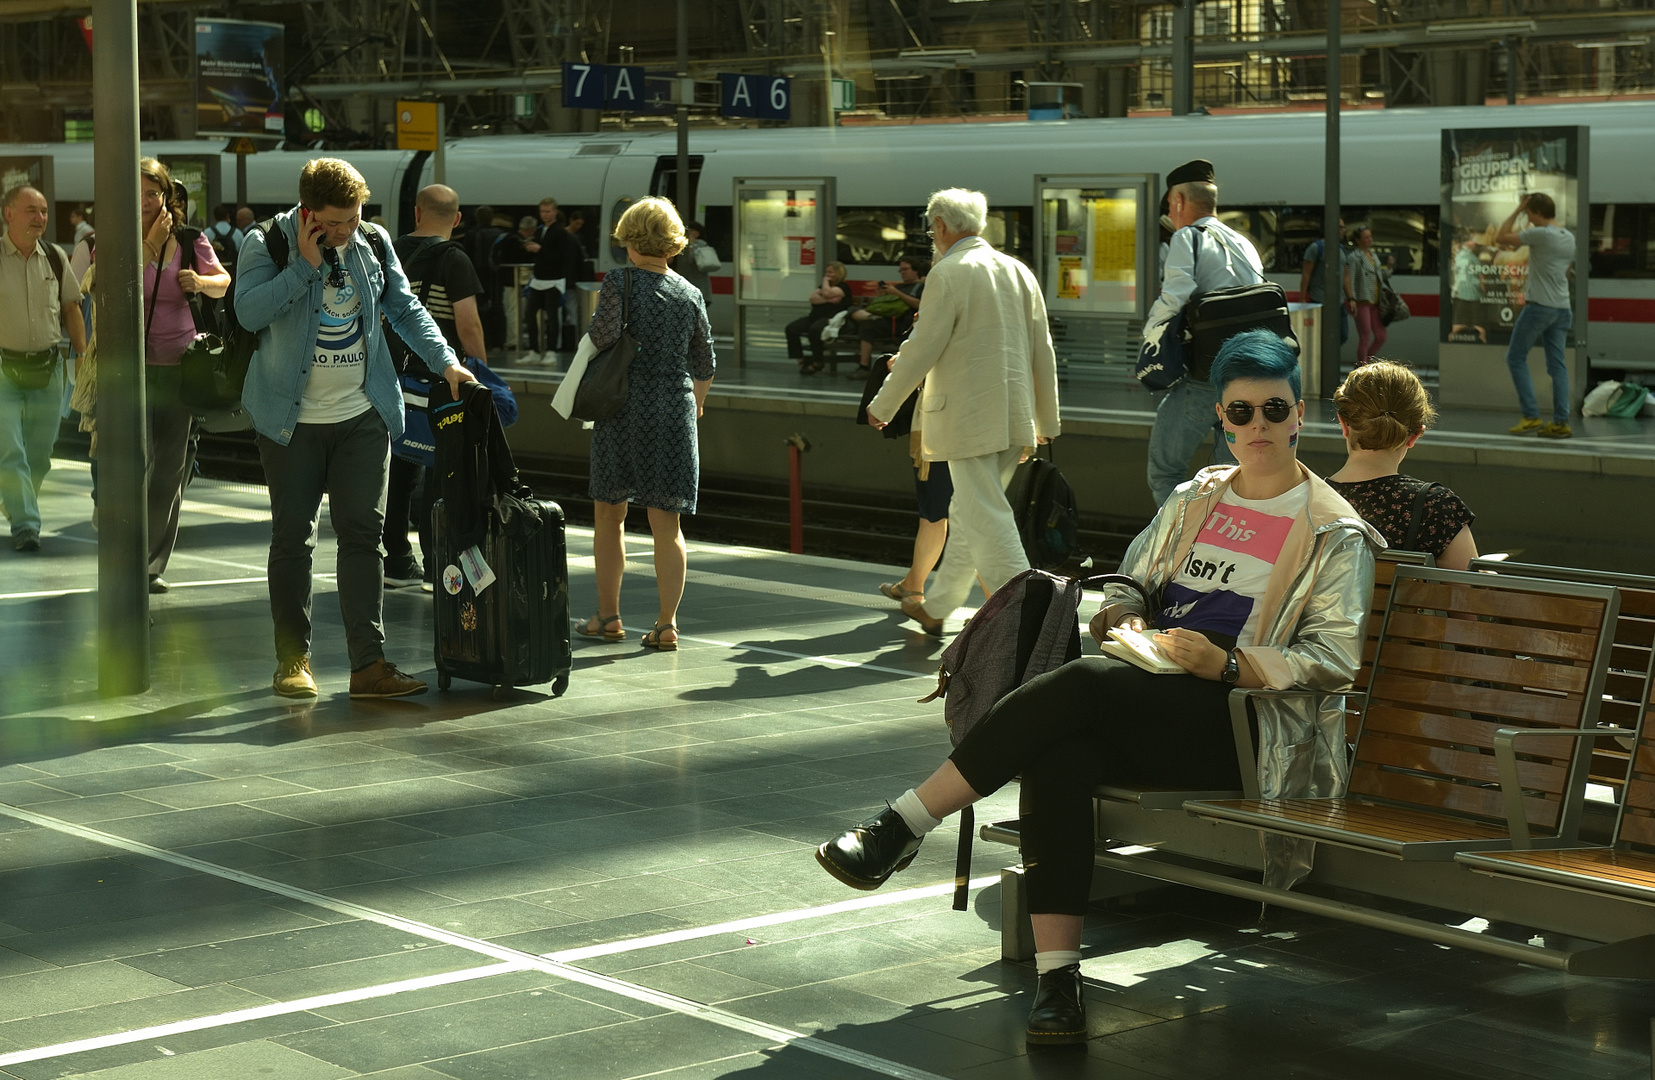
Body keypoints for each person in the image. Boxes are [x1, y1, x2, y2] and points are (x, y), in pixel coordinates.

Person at [817, 329, 1381, 1046]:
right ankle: (1058, 980)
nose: (1257, 428)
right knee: (1062, 751)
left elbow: (1334, 657)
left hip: (1245, 726)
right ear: (1219, 417)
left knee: (1079, 685)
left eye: (1272, 411)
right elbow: (1132, 579)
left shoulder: (1333, 530)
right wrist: (1126, 612)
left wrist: (1230, 665)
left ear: (1298, 413)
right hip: (1150, 698)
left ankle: (902, 825)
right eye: (1240, 413)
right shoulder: (1196, 495)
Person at [234, 157, 477, 700]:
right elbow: (248, 312)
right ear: (307, 209)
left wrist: (446, 362)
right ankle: (292, 660)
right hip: (290, 421)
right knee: (294, 538)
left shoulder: (372, 241)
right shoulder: (267, 241)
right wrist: (302, 264)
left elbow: (406, 308)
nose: (344, 230)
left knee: (365, 538)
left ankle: (368, 665)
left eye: (353, 218)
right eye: (333, 221)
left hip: (362, 414)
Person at [866, 188, 1059, 637]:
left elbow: (924, 345)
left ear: (939, 226)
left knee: (986, 513)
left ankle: (1026, 616)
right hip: (1016, 416)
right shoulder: (1017, 271)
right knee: (970, 508)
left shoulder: (948, 272)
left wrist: (884, 403)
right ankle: (937, 607)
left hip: (967, 420)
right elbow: (1042, 349)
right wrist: (1046, 420)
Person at [576, 197, 715, 651]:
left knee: (609, 514)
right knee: (667, 524)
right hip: (673, 412)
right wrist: (694, 405)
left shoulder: (619, 282)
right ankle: (666, 624)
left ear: (631, 243)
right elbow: (705, 363)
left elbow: (603, 337)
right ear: (672, 244)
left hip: (621, 409)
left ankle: (608, 616)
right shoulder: (690, 293)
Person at [382, 183, 488, 590]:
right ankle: (434, 564)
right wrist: (481, 372)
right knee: (438, 467)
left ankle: (395, 560)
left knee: (398, 467)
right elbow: (468, 323)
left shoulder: (389, 250)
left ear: (416, 213)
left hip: (391, 372)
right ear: (457, 220)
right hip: (438, 380)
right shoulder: (454, 258)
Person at [136, 157, 232, 592]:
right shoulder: (116, 239)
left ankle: (151, 564)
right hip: (132, 369)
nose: (144, 202)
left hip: (180, 368)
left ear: (165, 196)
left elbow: (224, 282)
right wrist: (147, 247)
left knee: (168, 469)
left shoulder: (191, 240)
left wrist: (200, 282)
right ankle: (127, 551)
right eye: (136, 193)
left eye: (152, 194)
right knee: (131, 465)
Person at [1143, 159, 1261, 506]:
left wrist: (1149, 338)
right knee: (1225, 478)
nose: (1170, 213)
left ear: (1179, 201)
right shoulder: (1243, 243)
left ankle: (1176, 545)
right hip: (1245, 379)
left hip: (1203, 378)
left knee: (1165, 469)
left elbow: (1174, 296)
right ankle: (1216, 543)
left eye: (1169, 205)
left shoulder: (1188, 238)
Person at [1325, 360, 1478, 570]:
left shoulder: (1308, 499)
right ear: (1414, 436)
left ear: (1344, 425)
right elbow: (1466, 593)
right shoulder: (1435, 508)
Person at [0, 184, 86, 552]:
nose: (40, 218)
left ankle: (17, 502)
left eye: (44, 212)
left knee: (39, 453)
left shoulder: (54, 257)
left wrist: (81, 355)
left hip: (48, 369)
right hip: (4, 369)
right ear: (9, 214)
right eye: (31, 211)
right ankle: (26, 525)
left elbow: (71, 308)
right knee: (11, 451)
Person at [1497, 193, 1577, 439]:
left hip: (1540, 306)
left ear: (1537, 212)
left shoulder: (1541, 235)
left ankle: (1531, 416)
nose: (1528, 218)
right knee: (1557, 365)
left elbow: (1501, 236)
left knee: (1515, 357)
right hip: (1562, 308)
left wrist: (1518, 208)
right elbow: (1565, 270)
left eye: (1529, 213)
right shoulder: (1568, 237)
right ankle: (1561, 422)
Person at [521, 197, 582, 365]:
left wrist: (540, 249)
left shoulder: (560, 232)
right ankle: (533, 350)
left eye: (548, 211)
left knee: (553, 317)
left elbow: (563, 257)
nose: (545, 214)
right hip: (539, 279)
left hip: (553, 280)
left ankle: (551, 351)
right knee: (529, 315)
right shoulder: (542, 230)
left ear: (555, 212)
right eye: (542, 211)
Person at [845, 257, 926, 379]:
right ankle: (871, 318)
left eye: (906, 269)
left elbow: (919, 305)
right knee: (855, 314)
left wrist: (896, 293)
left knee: (867, 325)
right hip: (886, 318)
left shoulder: (921, 287)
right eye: (901, 270)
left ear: (915, 270)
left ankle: (864, 367)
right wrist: (882, 296)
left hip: (902, 323)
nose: (903, 272)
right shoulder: (898, 287)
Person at [784, 261, 849, 375]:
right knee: (791, 328)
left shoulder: (843, 288)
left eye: (830, 272)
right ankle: (800, 359)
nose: (827, 274)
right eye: (826, 272)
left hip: (830, 319)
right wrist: (828, 300)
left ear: (838, 274)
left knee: (814, 330)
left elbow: (827, 292)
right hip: (813, 317)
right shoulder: (824, 287)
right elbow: (813, 298)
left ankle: (817, 361)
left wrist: (825, 283)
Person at [1298, 217, 1349, 346]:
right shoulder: (1316, 248)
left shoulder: (1342, 250)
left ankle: (1327, 358)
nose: (1344, 230)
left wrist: (1351, 298)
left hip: (1339, 301)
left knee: (1343, 334)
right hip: (1319, 300)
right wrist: (1302, 298)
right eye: (1341, 227)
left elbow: (1346, 276)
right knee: (1321, 335)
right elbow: (1306, 274)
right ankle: (1322, 361)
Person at [460, 205, 506, 351]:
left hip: (476, 276)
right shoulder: (500, 234)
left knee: (479, 308)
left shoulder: (471, 234)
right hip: (496, 276)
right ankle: (498, 341)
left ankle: (484, 341)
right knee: (498, 306)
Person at [1346, 226, 1387, 365]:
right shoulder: (1354, 257)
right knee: (1365, 336)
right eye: (1366, 237)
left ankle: (1364, 363)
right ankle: (1362, 367)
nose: (1370, 239)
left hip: (1375, 301)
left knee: (1381, 336)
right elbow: (1350, 278)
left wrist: (1390, 268)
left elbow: (1379, 276)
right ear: (1358, 240)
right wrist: (1351, 299)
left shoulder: (1373, 255)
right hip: (1362, 300)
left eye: (1370, 236)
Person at [1449, 228, 1487, 343]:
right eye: (1473, 241)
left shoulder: (1458, 256)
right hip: (1474, 294)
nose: (1475, 244)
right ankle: (1482, 338)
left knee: (1458, 325)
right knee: (1479, 325)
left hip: (1459, 293)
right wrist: (1485, 292)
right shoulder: (1473, 258)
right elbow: (1482, 278)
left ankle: (1451, 341)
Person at [672, 220, 718, 302]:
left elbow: (691, 260)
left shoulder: (700, 244)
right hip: (690, 281)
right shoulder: (682, 244)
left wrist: (692, 245)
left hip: (698, 283)